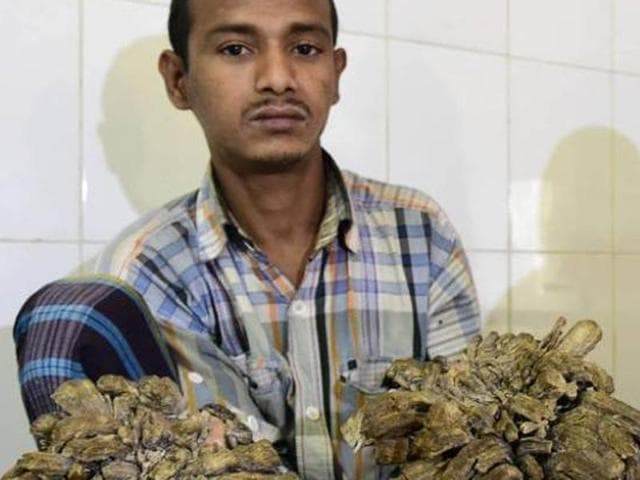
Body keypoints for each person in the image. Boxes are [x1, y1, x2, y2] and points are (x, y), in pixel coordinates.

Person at [16, 1, 480, 478]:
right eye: (236, 48)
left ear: (336, 72)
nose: (278, 77)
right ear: (179, 80)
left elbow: (471, 438)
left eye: (304, 48)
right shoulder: (140, 276)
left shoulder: (420, 236)